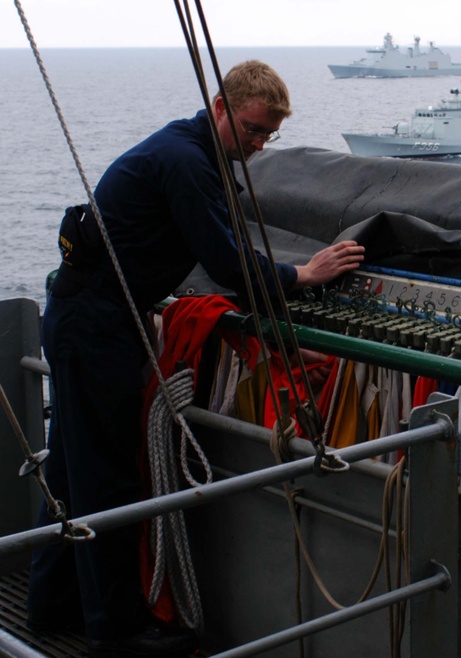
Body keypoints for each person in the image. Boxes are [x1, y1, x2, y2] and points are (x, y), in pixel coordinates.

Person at [26, 60, 364, 658]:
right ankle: (116, 631)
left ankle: (51, 603)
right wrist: (302, 274)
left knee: (72, 470)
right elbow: (228, 260)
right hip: (97, 326)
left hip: (91, 316)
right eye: (253, 130)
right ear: (219, 107)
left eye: (268, 137)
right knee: (106, 478)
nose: (258, 146)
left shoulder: (185, 150)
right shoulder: (186, 163)